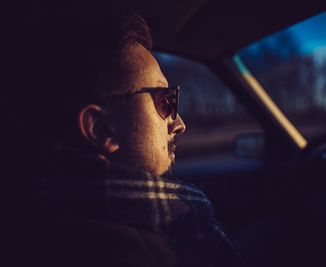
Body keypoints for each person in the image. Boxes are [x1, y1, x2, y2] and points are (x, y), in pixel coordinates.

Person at [8, 10, 245, 267]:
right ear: (100, 129)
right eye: (165, 101)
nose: (179, 124)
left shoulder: (34, 221)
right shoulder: (148, 254)